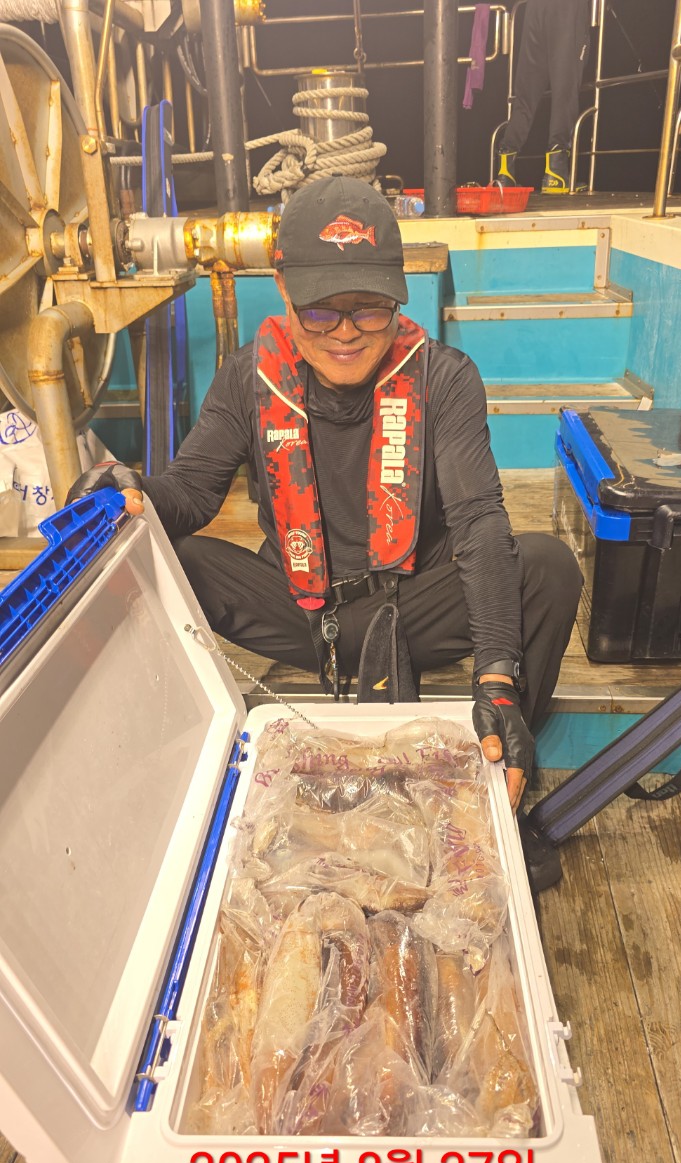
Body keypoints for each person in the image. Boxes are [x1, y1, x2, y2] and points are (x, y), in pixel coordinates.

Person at [68, 176, 582, 890]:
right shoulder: (247, 379)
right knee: (163, 555)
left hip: (411, 611)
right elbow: (188, 493)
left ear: (398, 295)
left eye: (369, 307)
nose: (345, 332)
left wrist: (497, 676)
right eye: (320, 309)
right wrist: (127, 487)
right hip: (300, 612)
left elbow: (478, 521)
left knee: (548, 567)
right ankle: (165, 780)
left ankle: (503, 778)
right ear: (283, 289)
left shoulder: (444, 378)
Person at [496, 0, 592, 194]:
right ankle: (556, 172)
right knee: (564, 91)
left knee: (525, 94)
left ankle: (505, 171)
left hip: (535, 8)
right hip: (567, 9)